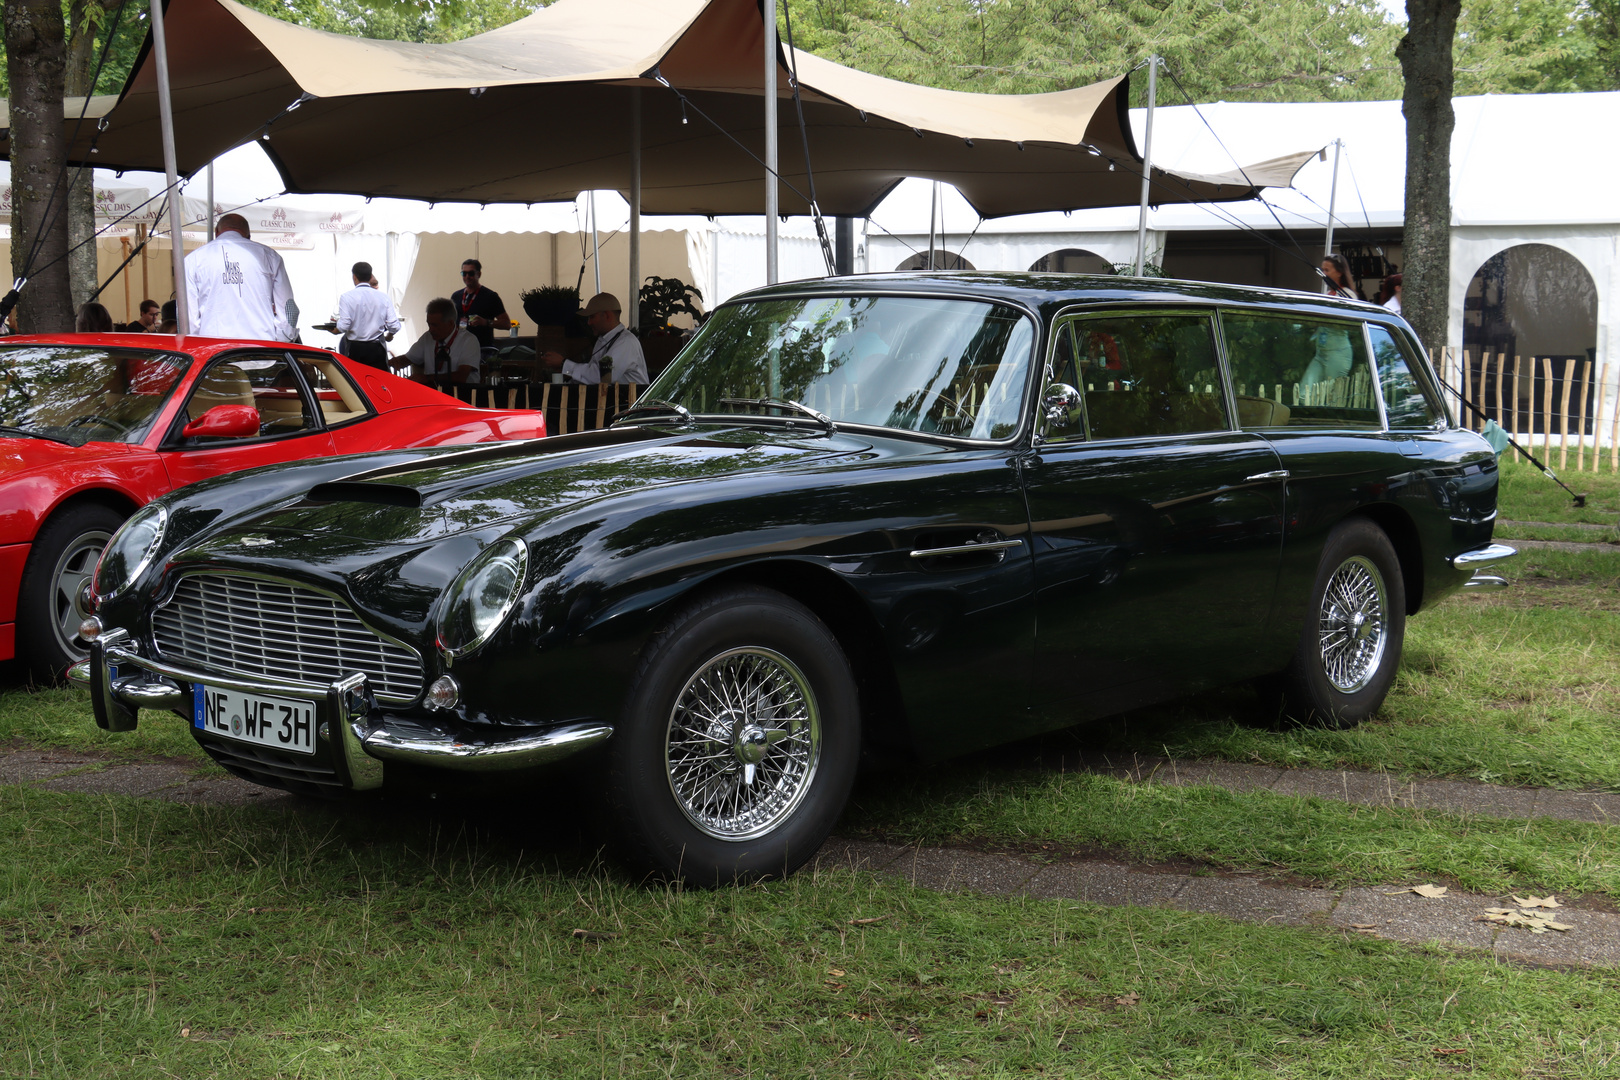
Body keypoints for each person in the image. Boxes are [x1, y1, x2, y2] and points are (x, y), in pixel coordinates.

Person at [183, 212, 296, 340]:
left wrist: (198, 346)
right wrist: (282, 341)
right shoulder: (270, 256)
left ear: (216, 232)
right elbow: (287, 308)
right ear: (248, 236)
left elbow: (188, 315)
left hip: (214, 350)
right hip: (261, 347)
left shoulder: (193, 260)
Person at [540, 292, 648, 384]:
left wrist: (564, 364)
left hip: (631, 406)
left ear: (607, 315)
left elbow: (602, 376)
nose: (589, 322)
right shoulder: (603, 340)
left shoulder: (626, 342)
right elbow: (590, 377)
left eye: (592, 317)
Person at [334, 261, 400, 371]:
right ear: (370, 276)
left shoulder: (346, 297)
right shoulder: (383, 297)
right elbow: (394, 325)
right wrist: (390, 335)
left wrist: (335, 329)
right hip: (376, 349)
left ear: (354, 277)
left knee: (356, 383)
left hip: (355, 349)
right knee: (379, 382)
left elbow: (344, 325)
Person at [400, 297, 480, 384]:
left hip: (461, 395)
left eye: (435, 325)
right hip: (433, 392)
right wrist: (390, 363)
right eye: (429, 324)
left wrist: (427, 378)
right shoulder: (427, 337)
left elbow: (461, 377)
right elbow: (407, 359)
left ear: (450, 323)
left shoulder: (468, 340)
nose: (431, 329)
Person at [450, 259, 510, 349]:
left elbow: (506, 324)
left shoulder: (490, 296)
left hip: (482, 349)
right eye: (464, 273)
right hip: (459, 348)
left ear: (479, 274)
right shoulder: (456, 296)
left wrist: (486, 322)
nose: (467, 276)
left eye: (471, 273)